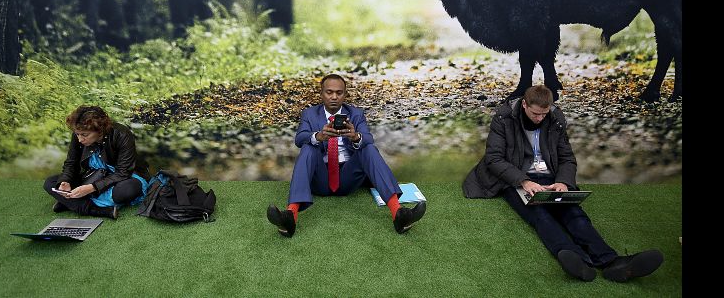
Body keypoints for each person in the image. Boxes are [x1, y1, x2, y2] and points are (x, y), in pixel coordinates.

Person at [462, 85, 664, 282]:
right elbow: (494, 159)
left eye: (544, 114)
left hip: (551, 178)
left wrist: (563, 182)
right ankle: (576, 260)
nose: (540, 118)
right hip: (515, 178)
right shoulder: (504, 118)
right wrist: (524, 181)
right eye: (535, 114)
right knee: (540, 216)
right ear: (524, 105)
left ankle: (612, 262)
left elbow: (567, 157)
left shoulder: (556, 119)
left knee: (574, 214)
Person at [267, 74, 426, 237]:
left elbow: (368, 138)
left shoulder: (356, 114)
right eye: (329, 92)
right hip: (320, 178)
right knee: (308, 147)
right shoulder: (309, 114)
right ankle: (290, 217)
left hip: (348, 178)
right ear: (321, 94)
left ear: (345, 94)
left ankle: (398, 213)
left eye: (339, 92)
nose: (334, 97)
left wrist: (355, 136)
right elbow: (299, 138)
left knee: (368, 148)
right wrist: (318, 136)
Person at [43, 105, 151, 219]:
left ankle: (70, 203)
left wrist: (91, 188)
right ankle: (96, 210)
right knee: (50, 182)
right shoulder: (79, 134)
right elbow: (71, 163)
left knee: (129, 189)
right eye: (77, 134)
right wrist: (65, 181)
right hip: (94, 175)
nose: (80, 139)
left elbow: (123, 173)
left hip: (124, 176)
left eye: (85, 135)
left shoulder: (122, 134)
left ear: (100, 130)